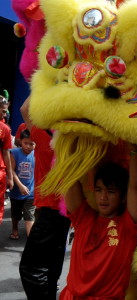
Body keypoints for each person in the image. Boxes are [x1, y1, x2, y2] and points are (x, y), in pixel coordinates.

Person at [59, 147, 137, 300]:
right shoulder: (83, 218)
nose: (103, 197)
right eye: (99, 190)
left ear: (123, 197)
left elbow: (135, 186)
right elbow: (68, 177)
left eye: (111, 191)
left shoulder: (128, 226)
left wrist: (136, 143)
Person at [19, 97, 72, 299]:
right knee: (51, 266)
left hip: (50, 210)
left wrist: (47, 73)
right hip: (63, 210)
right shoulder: (73, 138)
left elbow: (25, 107)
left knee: (31, 269)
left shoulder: (46, 134)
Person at [8, 129, 36, 239]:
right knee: (16, 214)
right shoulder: (14, 153)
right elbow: (12, 170)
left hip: (31, 192)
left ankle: (31, 241)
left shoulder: (37, 154)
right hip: (16, 190)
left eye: (31, 144)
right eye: (26, 143)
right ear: (20, 142)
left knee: (30, 214)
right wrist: (20, 186)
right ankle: (15, 228)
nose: (28, 146)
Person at [0, 105, 14, 222]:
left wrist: (10, 177)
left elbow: (6, 153)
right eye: (3, 111)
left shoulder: (5, 129)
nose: (5, 114)